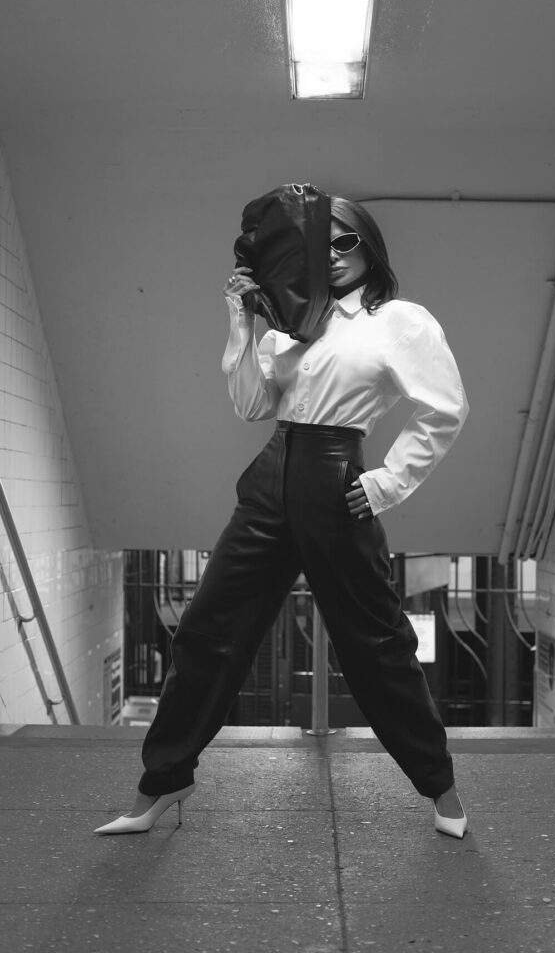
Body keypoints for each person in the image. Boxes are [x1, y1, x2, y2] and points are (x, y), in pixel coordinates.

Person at [94, 196, 470, 839]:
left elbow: (445, 408)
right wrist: (241, 321)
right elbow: (251, 405)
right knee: (207, 632)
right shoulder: (294, 321)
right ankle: (162, 781)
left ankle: (442, 788)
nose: (331, 256)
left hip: (335, 479)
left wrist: (385, 483)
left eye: (344, 242)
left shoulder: (398, 321)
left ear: (370, 247)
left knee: (376, 644)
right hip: (271, 478)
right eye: (319, 245)